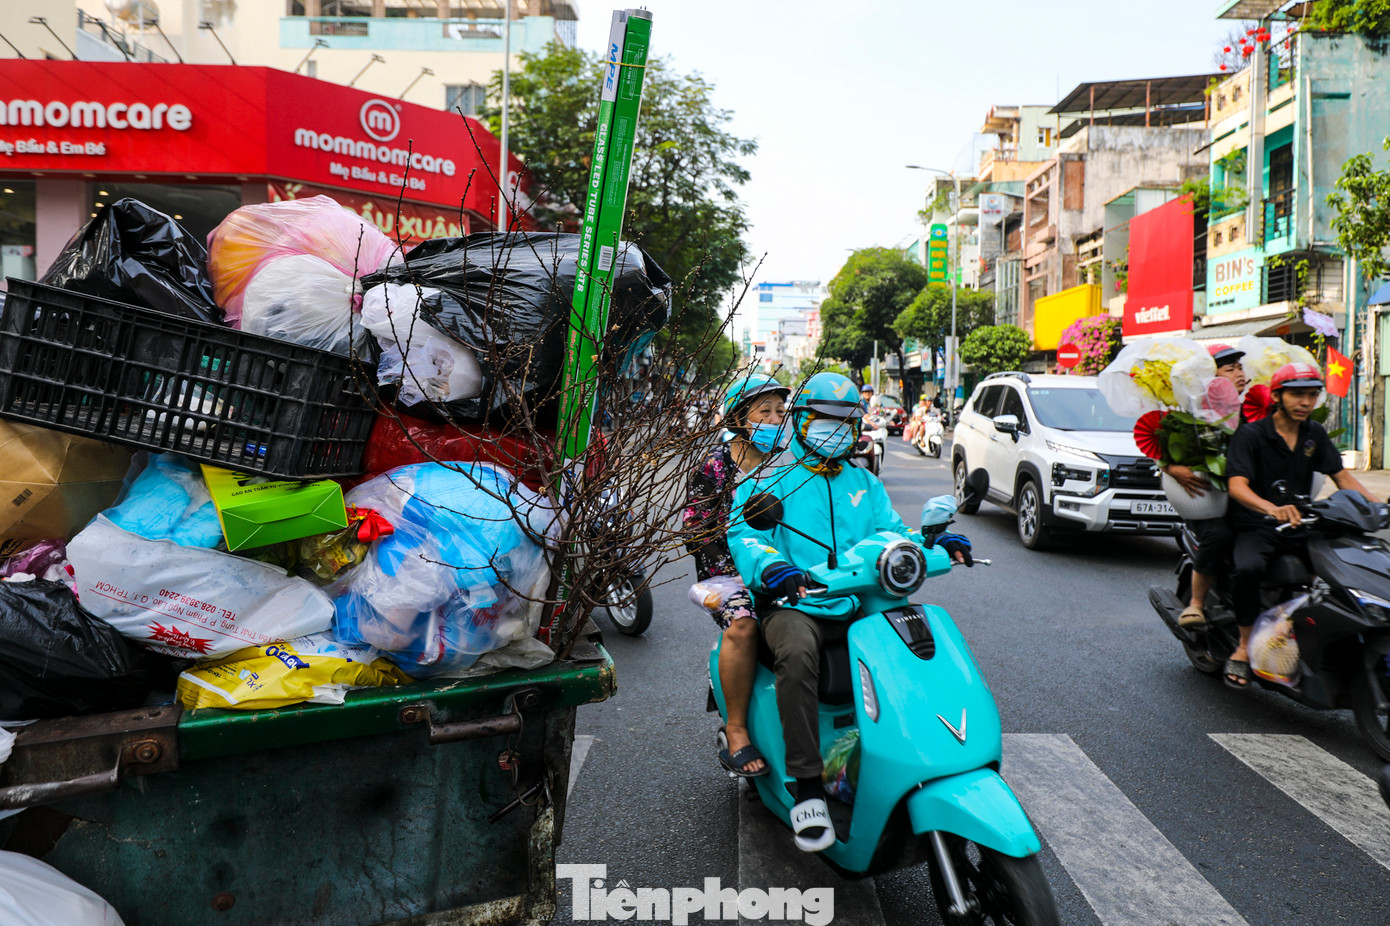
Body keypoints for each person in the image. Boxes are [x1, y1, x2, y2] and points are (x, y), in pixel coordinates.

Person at [727, 371, 970, 852]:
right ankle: (809, 788)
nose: (836, 431)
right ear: (801, 422)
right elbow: (745, 535)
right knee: (795, 654)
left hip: (864, 599)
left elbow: (891, 533)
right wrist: (772, 566)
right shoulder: (769, 480)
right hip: (797, 602)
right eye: (823, 420)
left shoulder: (866, 484)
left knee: (919, 644)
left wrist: (931, 541)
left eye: (846, 422)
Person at [1223, 361, 1378, 689]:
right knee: (1248, 569)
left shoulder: (1314, 434)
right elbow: (1237, 486)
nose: (1305, 402)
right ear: (1277, 396)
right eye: (1297, 395)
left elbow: (1343, 477)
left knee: (1338, 573)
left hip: (1302, 524)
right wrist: (1271, 508)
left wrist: (1375, 507)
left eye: (1311, 395)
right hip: (1257, 525)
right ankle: (1242, 645)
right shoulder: (1251, 434)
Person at [683, 373, 789, 776]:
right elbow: (697, 530)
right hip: (725, 575)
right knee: (743, 626)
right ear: (741, 418)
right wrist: (741, 572)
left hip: (781, 568)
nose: (775, 419)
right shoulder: (715, 465)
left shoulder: (790, 465)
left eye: (781, 411)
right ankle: (738, 730)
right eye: (765, 411)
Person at [1164, 344, 1250, 629]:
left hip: (1247, 500)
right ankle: (1196, 604)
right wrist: (1173, 468)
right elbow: (1159, 450)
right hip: (1206, 505)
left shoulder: (1252, 411)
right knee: (1219, 534)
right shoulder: (1193, 415)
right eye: (1230, 369)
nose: (1239, 374)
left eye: (1240, 367)